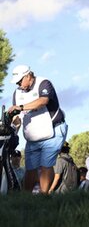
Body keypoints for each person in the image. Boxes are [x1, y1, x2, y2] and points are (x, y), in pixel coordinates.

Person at [8, 65, 67, 194]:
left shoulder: (44, 83)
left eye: (20, 81)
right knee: (30, 168)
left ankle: (44, 196)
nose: (18, 84)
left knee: (46, 165)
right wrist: (12, 130)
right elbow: (18, 118)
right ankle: (26, 197)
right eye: (17, 82)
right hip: (34, 135)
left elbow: (43, 101)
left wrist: (21, 107)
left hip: (53, 131)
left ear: (28, 76)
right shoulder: (17, 93)